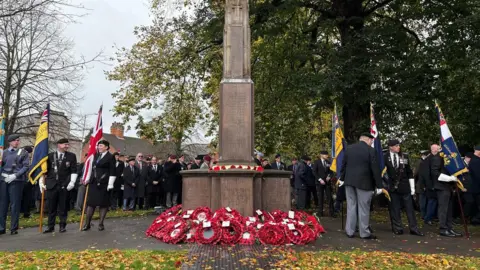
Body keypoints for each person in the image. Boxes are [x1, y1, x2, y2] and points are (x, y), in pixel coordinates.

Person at [339, 133, 383, 239]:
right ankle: (364, 233)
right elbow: (375, 169)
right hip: (364, 183)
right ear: (367, 140)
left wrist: (341, 179)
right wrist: (379, 185)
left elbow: (344, 165)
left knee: (351, 207)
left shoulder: (349, 149)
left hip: (349, 182)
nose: (372, 142)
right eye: (371, 141)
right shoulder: (371, 151)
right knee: (364, 208)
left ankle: (350, 231)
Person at [383, 139, 423, 236]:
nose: (398, 147)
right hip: (392, 187)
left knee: (410, 209)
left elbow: (409, 172)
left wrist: (412, 188)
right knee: (395, 208)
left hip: (405, 186)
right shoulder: (385, 157)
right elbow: (383, 173)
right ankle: (398, 228)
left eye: (398, 145)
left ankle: (414, 228)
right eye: (396, 146)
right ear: (391, 147)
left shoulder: (404, 156)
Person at [42, 138, 78, 233]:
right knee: (51, 207)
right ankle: (50, 226)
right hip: (52, 184)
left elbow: (74, 170)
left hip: (64, 185)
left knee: (63, 207)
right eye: (65, 144)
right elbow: (45, 171)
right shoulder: (50, 156)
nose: (67, 146)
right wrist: (42, 182)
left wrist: (72, 182)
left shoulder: (71, 156)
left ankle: (62, 225)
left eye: (67, 144)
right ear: (59, 145)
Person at [81, 140, 116, 231]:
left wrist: (110, 183)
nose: (99, 147)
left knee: (103, 205)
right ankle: (87, 223)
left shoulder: (110, 157)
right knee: (90, 204)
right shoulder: (95, 155)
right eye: (98, 146)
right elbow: (91, 168)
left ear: (106, 147)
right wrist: (87, 178)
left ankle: (101, 224)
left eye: (101, 146)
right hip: (93, 183)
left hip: (104, 184)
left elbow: (113, 171)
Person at [0, 134, 30, 235]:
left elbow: (26, 166)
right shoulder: (3, 153)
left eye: (18, 140)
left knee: (15, 205)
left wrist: (15, 175)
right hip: (4, 180)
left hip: (16, 181)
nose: (17, 142)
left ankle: (13, 228)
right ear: (10, 142)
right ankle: (1, 227)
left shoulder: (23, 153)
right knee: (3, 204)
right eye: (15, 141)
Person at [430, 144, 462, 237]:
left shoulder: (447, 159)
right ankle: (443, 228)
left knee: (449, 210)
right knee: (443, 209)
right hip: (441, 186)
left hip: (449, 187)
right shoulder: (437, 158)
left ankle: (449, 227)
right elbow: (435, 173)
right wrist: (450, 178)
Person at [313, 151, 334, 217]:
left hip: (327, 183)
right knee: (320, 198)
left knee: (330, 198)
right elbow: (314, 172)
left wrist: (329, 176)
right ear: (321, 155)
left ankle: (332, 213)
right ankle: (320, 212)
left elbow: (331, 171)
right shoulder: (317, 162)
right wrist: (320, 179)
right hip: (320, 183)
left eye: (327, 155)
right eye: (325, 155)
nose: (327, 156)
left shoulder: (328, 162)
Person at [415, 150, 430, 220]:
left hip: (423, 184)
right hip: (421, 184)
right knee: (422, 200)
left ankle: (424, 214)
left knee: (424, 200)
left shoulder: (423, 162)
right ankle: (423, 215)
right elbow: (416, 173)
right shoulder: (420, 162)